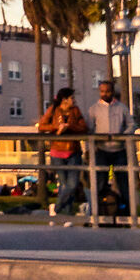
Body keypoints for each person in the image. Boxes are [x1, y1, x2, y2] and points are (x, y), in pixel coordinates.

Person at [39, 91, 90, 224]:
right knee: (63, 184)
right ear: (64, 99)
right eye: (72, 97)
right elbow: (42, 126)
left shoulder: (76, 110)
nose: (74, 100)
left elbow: (84, 128)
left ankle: (56, 208)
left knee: (72, 184)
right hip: (57, 151)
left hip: (73, 151)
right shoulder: (53, 110)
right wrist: (56, 127)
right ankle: (67, 216)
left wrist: (70, 127)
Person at [89, 78, 133, 224]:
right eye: (102, 91)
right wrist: (92, 146)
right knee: (99, 184)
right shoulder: (93, 109)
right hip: (101, 151)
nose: (105, 93)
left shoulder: (122, 108)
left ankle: (127, 215)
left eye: (107, 91)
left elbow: (132, 125)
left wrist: (122, 136)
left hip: (119, 151)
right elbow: (89, 129)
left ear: (112, 91)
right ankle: (97, 214)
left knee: (124, 184)